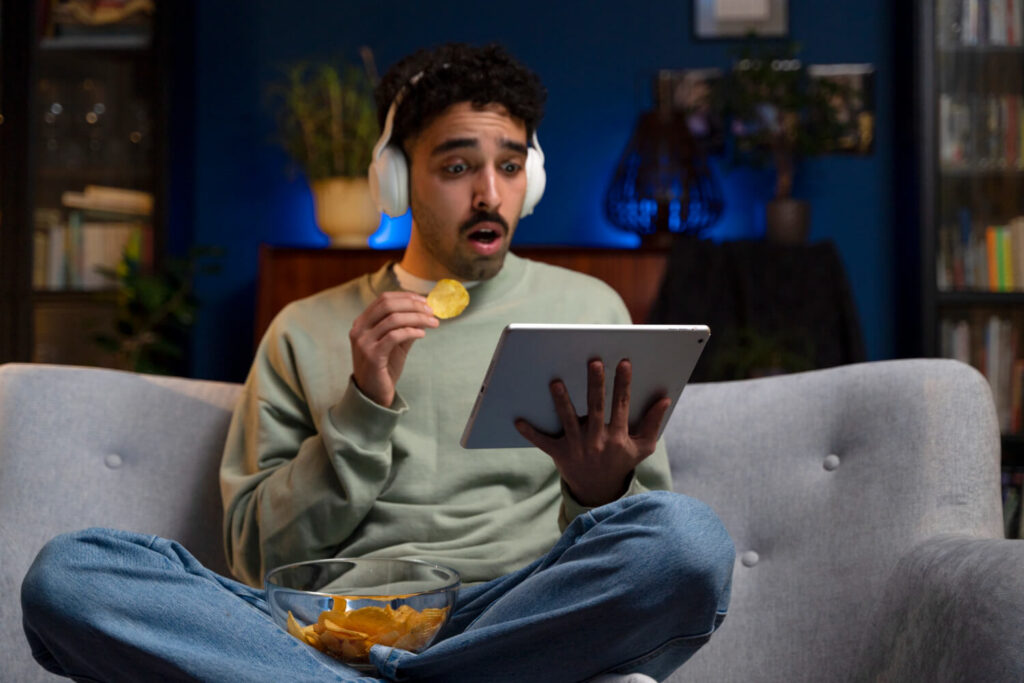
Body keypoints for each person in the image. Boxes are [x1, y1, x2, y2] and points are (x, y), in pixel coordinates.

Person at [21, 43, 734, 682]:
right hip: (325, 630)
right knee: (71, 575)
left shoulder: (590, 309)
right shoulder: (305, 328)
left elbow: (643, 545)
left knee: (690, 541)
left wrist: (601, 488)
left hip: (516, 613)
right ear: (394, 180)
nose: (490, 192)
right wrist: (361, 403)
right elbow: (253, 559)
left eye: (510, 166)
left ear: (532, 178)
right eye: (458, 166)